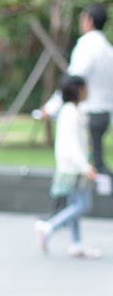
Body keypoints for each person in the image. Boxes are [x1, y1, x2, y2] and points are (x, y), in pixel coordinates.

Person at [35, 75, 101, 259]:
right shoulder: (71, 113)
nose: (88, 92)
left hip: (70, 165)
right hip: (74, 167)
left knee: (74, 204)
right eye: (86, 88)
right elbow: (73, 144)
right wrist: (85, 167)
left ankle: (76, 243)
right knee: (82, 204)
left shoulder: (69, 111)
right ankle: (49, 226)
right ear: (79, 90)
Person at [68, 3, 113, 174]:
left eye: (82, 18)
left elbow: (74, 80)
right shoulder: (108, 49)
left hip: (89, 113)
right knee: (96, 161)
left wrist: (51, 108)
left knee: (91, 165)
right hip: (105, 113)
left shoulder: (86, 46)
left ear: (89, 20)